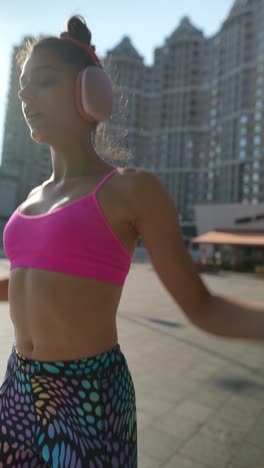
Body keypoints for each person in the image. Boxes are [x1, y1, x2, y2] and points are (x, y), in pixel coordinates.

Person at [0, 13, 264, 468]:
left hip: (88, 398)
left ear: (90, 91)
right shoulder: (29, 200)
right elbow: (33, 284)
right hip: (17, 386)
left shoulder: (129, 189)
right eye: (23, 84)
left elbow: (204, 308)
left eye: (42, 81)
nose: (25, 95)